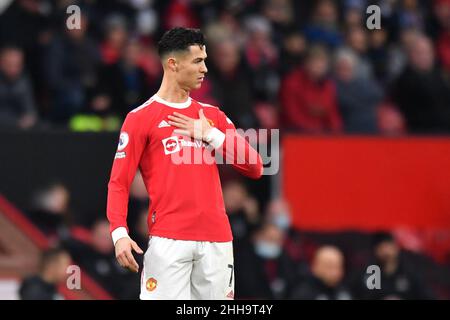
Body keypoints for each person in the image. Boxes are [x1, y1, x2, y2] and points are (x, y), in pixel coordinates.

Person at [106, 27, 263, 300]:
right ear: (173, 63)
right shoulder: (140, 118)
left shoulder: (211, 116)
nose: (204, 69)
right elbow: (119, 182)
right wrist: (119, 233)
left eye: (205, 61)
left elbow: (255, 166)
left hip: (217, 239)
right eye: (197, 61)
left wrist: (210, 135)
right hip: (169, 239)